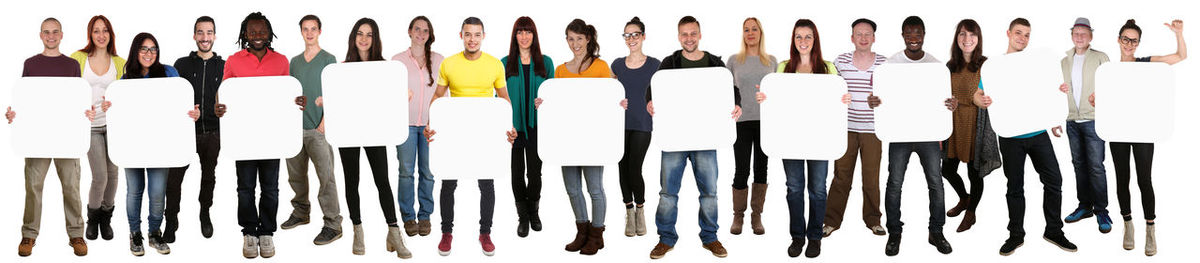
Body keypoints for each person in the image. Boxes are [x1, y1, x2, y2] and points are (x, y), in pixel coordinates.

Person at [977, 18, 1077, 256]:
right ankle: (1015, 235)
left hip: (1038, 133)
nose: (1022, 38)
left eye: (1027, 34)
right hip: (1011, 136)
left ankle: (1053, 230)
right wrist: (979, 100)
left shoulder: (1035, 64)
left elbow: (1042, 94)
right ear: (1008, 33)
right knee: (1015, 186)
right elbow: (977, 94)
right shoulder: (996, 67)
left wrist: (1056, 106)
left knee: (1054, 180)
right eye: (1019, 33)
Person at [645, 16, 742, 260]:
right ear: (679, 37)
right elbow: (653, 88)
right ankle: (665, 239)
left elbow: (731, 90)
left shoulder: (714, 62)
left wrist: (737, 105)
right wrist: (650, 101)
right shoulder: (670, 62)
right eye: (684, 34)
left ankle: (710, 237)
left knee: (709, 192)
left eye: (693, 33)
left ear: (700, 35)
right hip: (674, 136)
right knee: (668, 193)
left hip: (706, 137)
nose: (689, 38)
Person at [423, 17, 518, 257]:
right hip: (456, 131)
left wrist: (510, 127)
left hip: (485, 132)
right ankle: (446, 233)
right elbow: (438, 97)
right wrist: (429, 122)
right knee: (448, 182)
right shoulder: (449, 64)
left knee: (487, 184)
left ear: (483, 36)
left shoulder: (495, 64)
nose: (472, 39)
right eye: (468, 34)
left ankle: (485, 233)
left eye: (477, 34)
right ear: (461, 35)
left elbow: (504, 99)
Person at [214, 12, 306, 259]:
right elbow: (224, 93)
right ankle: (248, 232)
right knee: (245, 188)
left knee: (270, 188)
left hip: (272, 135)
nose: (257, 36)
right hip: (243, 135)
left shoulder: (281, 61)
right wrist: (218, 106)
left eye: (262, 31)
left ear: (269, 33)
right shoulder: (234, 60)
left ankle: (266, 232)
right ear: (245, 34)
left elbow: (287, 96)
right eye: (252, 32)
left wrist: (298, 101)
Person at [753, 18, 846, 259]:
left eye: (808, 36)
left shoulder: (828, 68)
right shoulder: (783, 67)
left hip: (821, 139)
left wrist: (843, 100)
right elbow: (778, 104)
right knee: (794, 189)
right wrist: (765, 99)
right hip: (790, 138)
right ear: (793, 41)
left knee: (817, 190)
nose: (803, 41)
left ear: (815, 40)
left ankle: (815, 237)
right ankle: (797, 236)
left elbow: (834, 103)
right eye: (798, 37)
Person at [866, 15, 953, 256]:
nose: (913, 38)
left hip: (928, 134)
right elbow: (881, 98)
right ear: (902, 36)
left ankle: (936, 231)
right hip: (900, 133)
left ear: (924, 35)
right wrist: (874, 102)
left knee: (936, 183)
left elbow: (943, 100)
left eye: (918, 33)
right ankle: (894, 232)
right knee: (894, 183)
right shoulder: (891, 65)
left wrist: (951, 104)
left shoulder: (936, 66)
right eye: (909, 33)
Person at [109, 32, 199, 256]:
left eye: (153, 49)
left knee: (158, 192)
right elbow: (120, 112)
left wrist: (192, 113)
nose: (149, 54)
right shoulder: (126, 79)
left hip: (162, 144)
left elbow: (181, 106)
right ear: (135, 51)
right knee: (134, 191)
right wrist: (110, 108)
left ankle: (154, 233)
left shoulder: (169, 73)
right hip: (133, 145)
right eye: (144, 49)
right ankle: (135, 234)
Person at [329, 17, 412, 258]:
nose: (364, 39)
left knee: (382, 181)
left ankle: (394, 232)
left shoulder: (385, 69)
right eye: (360, 34)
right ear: (353, 38)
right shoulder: (342, 68)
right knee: (351, 181)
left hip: (374, 130)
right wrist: (328, 101)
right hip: (348, 130)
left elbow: (389, 100)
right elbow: (341, 100)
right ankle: (358, 230)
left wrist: (402, 93)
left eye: (369, 34)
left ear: (375, 39)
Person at [1102, 19, 1185, 256]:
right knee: (1122, 178)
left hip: (1143, 130)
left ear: (1138, 43)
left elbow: (1180, 56)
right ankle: (1128, 225)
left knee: (1144, 179)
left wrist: (1178, 33)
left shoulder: (1146, 64)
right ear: (1119, 40)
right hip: (1117, 130)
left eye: (1134, 40)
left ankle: (1150, 229)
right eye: (1125, 39)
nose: (1129, 44)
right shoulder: (1109, 70)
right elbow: (1108, 102)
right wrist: (1097, 100)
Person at [10, 17, 90, 257]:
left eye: (55, 32)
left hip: (67, 135)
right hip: (38, 136)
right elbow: (26, 99)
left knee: (71, 187)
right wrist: (15, 113)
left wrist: (86, 111)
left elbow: (77, 98)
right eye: (47, 32)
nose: (51, 36)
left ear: (62, 35)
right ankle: (29, 234)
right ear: (41, 35)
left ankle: (76, 234)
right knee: (33, 187)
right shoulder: (30, 64)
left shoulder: (71, 65)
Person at [538, 18, 619, 256]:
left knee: (595, 189)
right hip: (567, 139)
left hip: (594, 138)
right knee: (573, 188)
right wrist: (543, 103)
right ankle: (581, 232)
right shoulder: (560, 70)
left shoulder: (601, 67)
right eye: (571, 39)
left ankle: (596, 234)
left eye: (579, 39)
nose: (575, 44)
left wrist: (620, 102)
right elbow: (557, 106)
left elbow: (612, 99)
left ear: (588, 39)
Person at [279, 14, 344, 247]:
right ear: (301, 32)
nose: (309, 33)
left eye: (313, 29)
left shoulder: (329, 59)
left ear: (320, 31)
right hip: (295, 129)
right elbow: (289, 93)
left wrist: (324, 124)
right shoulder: (293, 62)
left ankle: (333, 224)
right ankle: (301, 212)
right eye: (305, 29)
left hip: (319, 129)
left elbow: (336, 93)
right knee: (296, 177)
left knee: (326, 178)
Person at [823, 18, 888, 238]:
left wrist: (881, 100)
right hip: (845, 128)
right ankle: (830, 221)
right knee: (841, 176)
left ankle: (874, 221)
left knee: (871, 178)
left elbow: (893, 97)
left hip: (873, 130)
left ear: (874, 38)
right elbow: (830, 91)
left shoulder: (884, 64)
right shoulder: (840, 62)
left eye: (867, 34)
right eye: (858, 34)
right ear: (852, 38)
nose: (863, 38)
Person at [166, 15, 224, 243]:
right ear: (194, 36)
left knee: (208, 177)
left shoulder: (223, 65)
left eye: (209, 32)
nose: (205, 37)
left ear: (215, 36)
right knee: (173, 180)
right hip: (184, 133)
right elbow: (172, 98)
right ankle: (171, 220)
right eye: (200, 32)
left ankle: (205, 212)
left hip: (212, 132)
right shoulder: (181, 64)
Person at [941, 19, 1001, 234]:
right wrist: (949, 103)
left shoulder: (987, 65)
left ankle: (971, 212)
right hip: (954, 125)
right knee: (947, 170)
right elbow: (942, 96)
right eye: (962, 34)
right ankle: (964, 198)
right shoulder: (949, 66)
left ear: (979, 38)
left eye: (972, 34)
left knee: (974, 173)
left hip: (977, 125)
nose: (967, 39)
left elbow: (994, 95)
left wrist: (969, 100)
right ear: (957, 38)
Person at [69, 15, 126, 242]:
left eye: (105, 31)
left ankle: (106, 217)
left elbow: (126, 97)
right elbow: (68, 93)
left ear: (111, 34)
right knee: (100, 176)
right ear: (90, 35)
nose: (101, 35)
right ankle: (92, 218)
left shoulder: (119, 62)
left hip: (113, 126)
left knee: (113, 175)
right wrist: (80, 110)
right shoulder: (77, 58)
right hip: (90, 126)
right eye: (96, 31)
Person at [1060, 17, 1113, 234]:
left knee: (1096, 167)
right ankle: (1085, 207)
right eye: (1076, 33)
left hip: (1094, 121)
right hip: (1072, 120)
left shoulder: (1101, 58)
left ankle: (1102, 211)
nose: (1079, 37)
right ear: (1072, 35)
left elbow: (1112, 86)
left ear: (1091, 36)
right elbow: (1054, 92)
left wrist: (1102, 97)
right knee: (1078, 165)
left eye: (1084, 33)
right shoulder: (1063, 61)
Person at [500, 16, 551, 238]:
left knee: (536, 172)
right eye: (519, 32)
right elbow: (498, 97)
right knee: (516, 173)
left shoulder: (546, 62)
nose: (524, 36)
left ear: (534, 35)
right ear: (515, 36)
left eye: (528, 32)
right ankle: (522, 217)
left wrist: (545, 101)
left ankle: (534, 212)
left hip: (538, 125)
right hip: (513, 127)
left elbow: (554, 95)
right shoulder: (504, 63)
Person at [393, 15, 443, 238]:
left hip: (430, 126)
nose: (421, 34)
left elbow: (444, 94)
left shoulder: (440, 60)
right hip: (404, 125)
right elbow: (389, 93)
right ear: (409, 31)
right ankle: (408, 216)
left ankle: (425, 216)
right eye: (417, 29)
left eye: (425, 31)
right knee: (406, 172)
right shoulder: (397, 60)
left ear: (429, 35)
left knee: (428, 172)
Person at [726, 17, 776, 236]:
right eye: (746, 29)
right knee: (741, 169)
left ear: (761, 32)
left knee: (761, 169)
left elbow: (780, 93)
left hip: (766, 122)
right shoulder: (734, 60)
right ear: (743, 34)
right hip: (741, 122)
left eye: (754, 29)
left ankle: (757, 215)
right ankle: (738, 215)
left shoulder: (772, 61)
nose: (750, 33)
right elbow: (724, 90)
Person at [612, 16, 658, 238]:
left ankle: (640, 210)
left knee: (634, 168)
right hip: (619, 124)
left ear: (643, 36)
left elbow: (663, 94)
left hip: (642, 124)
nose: (631, 39)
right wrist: (615, 102)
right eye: (627, 35)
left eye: (635, 35)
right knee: (622, 168)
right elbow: (608, 94)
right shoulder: (617, 65)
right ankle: (629, 212)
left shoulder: (655, 64)